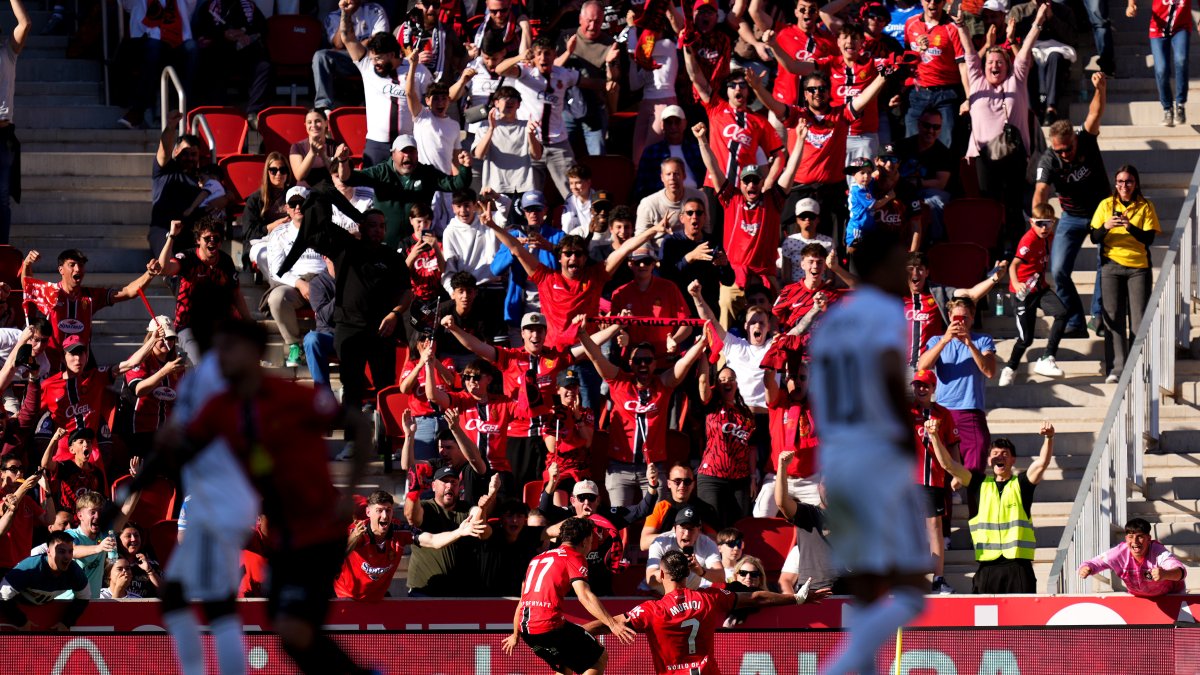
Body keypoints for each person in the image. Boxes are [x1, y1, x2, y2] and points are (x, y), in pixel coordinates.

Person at [171, 319, 375, 675]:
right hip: (283, 536)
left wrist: (349, 492)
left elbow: (358, 423)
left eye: (230, 349)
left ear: (254, 354)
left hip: (319, 529)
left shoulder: (294, 397)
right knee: (288, 633)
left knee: (295, 629)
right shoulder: (220, 406)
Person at [808, 230, 930, 675]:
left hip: (837, 459)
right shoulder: (883, 310)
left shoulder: (831, 323)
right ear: (881, 268)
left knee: (866, 585)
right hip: (877, 454)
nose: (908, 273)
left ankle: (860, 668)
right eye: (901, 263)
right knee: (914, 585)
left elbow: (817, 393)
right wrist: (902, 435)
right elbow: (882, 368)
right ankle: (842, 668)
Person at [588, 549, 825, 674]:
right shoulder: (709, 599)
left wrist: (573, 631)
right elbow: (756, 596)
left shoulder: (651, 610)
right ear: (687, 574)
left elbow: (604, 624)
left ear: (661, 575)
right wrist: (796, 597)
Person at [575, 318, 709, 508]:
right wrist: (582, 334)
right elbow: (596, 357)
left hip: (654, 467)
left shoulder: (663, 384)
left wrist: (703, 342)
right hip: (619, 467)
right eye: (638, 360)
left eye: (647, 360)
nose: (643, 365)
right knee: (619, 520)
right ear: (631, 363)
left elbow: (684, 364)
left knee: (657, 520)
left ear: (655, 364)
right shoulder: (618, 380)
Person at [500, 517, 636, 674]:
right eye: (591, 540)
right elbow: (584, 595)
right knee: (598, 657)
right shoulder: (574, 556)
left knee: (568, 662)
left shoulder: (536, 559)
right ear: (585, 541)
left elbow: (523, 601)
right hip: (549, 627)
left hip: (527, 632)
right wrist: (613, 625)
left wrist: (515, 635)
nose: (591, 546)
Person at [1034, 74, 1109, 338]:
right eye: (1059, 151)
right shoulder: (1049, 159)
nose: (1064, 155)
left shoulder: (1085, 138)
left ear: (1074, 140)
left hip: (1103, 211)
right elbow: (1040, 193)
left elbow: (1094, 112)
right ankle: (1076, 321)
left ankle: (1098, 316)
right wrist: (1039, 221)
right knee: (1058, 271)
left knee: (1106, 261)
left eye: (1067, 149)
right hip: (1071, 216)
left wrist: (1100, 89)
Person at [939, 425, 1055, 594]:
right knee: (985, 620)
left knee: (1021, 620)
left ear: (1013, 460)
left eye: (1005, 454)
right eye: (995, 454)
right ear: (988, 460)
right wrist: (934, 436)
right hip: (987, 568)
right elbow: (948, 465)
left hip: (1019, 567)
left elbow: (1042, 463)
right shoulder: (978, 483)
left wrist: (1049, 438)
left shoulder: (1021, 483)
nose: (999, 457)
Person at [335, 490, 486, 601]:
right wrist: (354, 538)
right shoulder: (359, 532)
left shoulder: (399, 531)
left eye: (388, 510)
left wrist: (459, 532)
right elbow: (337, 556)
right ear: (368, 512)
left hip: (376, 599)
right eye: (379, 511)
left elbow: (433, 540)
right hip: (346, 598)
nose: (384, 516)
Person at [21, 247, 159, 367]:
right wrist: (27, 263)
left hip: (80, 363)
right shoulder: (50, 292)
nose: (78, 269)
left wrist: (150, 274)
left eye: (81, 265)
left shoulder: (91, 296)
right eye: (72, 264)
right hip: (52, 364)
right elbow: (28, 285)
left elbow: (128, 292)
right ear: (61, 269)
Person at [335, 135, 473, 248]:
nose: (407, 156)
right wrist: (342, 161)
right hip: (385, 244)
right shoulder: (382, 172)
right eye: (403, 151)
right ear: (393, 154)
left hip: (416, 244)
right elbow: (348, 179)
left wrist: (465, 168)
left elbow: (456, 184)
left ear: (417, 154)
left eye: (411, 151)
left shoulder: (426, 173)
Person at [1091, 164, 1160, 384]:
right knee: (1114, 319)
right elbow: (1094, 237)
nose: (1124, 186)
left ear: (1136, 183)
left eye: (1128, 181)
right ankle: (1117, 368)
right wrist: (1106, 226)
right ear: (1115, 183)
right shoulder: (1106, 205)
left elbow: (1149, 239)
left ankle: (1138, 366)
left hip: (1138, 268)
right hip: (1111, 266)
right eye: (1120, 182)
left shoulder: (1145, 205)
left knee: (1138, 320)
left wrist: (1130, 227)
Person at [340, 13, 432, 167]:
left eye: (379, 58)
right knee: (372, 190)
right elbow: (347, 38)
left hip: (407, 144)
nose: (375, 63)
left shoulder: (418, 70)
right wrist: (345, 13)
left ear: (391, 54)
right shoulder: (367, 66)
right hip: (376, 144)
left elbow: (433, 99)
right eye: (372, 58)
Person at [916, 297, 997, 474]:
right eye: (956, 318)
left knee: (974, 469)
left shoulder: (982, 340)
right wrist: (945, 340)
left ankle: (973, 501)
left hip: (971, 411)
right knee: (942, 467)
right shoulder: (937, 340)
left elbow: (990, 371)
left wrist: (968, 343)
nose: (960, 322)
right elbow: (922, 366)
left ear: (973, 318)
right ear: (949, 316)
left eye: (965, 318)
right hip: (942, 411)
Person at [157, 218, 249, 366]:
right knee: (203, 364)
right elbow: (163, 269)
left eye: (216, 238)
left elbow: (236, 293)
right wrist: (172, 235)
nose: (212, 242)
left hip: (217, 324)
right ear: (198, 240)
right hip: (188, 324)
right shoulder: (188, 258)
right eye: (207, 238)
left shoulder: (226, 261)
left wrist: (249, 322)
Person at [998, 204, 1069, 386]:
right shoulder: (1028, 240)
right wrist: (1016, 283)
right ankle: (1010, 368)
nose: (1044, 228)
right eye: (1040, 224)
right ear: (1031, 223)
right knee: (1025, 339)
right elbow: (1014, 265)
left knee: (1062, 312)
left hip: (1040, 288)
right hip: (1023, 293)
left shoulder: (1050, 236)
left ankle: (1047, 357)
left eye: (1049, 223)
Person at [908, 369, 960, 594]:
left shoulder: (943, 414)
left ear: (933, 388)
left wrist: (957, 473)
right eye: (917, 385)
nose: (920, 389)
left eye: (925, 385)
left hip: (933, 479)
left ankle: (938, 578)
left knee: (934, 527)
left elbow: (953, 445)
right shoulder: (906, 412)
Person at [117, 317, 187, 458]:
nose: (167, 342)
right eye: (163, 337)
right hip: (137, 431)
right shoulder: (139, 360)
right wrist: (163, 372)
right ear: (151, 337)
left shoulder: (177, 365)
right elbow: (138, 389)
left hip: (164, 434)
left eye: (171, 338)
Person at [696, 365, 756, 526]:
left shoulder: (745, 414)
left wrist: (752, 477)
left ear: (736, 384)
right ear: (716, 385)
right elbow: (703, 382)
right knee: (711, 526)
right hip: (712, 476)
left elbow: (751, 448)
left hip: (740, 479)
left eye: (731, 379)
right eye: (722, 380)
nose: (726, 382)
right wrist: (704, 351)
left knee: (740, 526)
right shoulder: (711, 405)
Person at [903, 0, 968, 147]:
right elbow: (907, 60)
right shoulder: (910, 23)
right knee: (911, 144)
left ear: (944, 2)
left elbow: (963, 64)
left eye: (937, 0)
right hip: (917, 93)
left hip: (945, 94)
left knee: (945, 145)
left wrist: (968, 97)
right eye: (928, 0)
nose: (933, 3)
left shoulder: (952, 27)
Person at [0, 530, 90, 630]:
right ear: (48, 552)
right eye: (61, 551)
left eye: (70, 551)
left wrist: (66, 622)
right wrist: (21, 621)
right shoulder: (30, 568)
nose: (67, 557)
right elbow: (2, 596)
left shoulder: (74, 572)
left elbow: (84, 597)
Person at [1078, 518, 1187, 597]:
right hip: (1138, 597)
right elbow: (1094, 563)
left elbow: (1181, 572)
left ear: (1149, 539)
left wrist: (1165, 574)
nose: (1134, 541)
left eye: (1140, 537)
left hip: (1170, 596)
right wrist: (1086, 568)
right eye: (1131, 537)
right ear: (1126, 538)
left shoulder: (1159, 552)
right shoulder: (1118, 552)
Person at [312, 0, 387, 112]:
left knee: (381, 54)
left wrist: (353, 45)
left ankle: (371, 105)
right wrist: (345, 14)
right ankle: (324, 107)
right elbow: (338, 44)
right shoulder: (333, 16)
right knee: (321, 56)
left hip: (369, 58)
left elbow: (380, 40)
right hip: (347, 60)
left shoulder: (374, 10)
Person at [1127, 0, 1191, 126]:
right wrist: (1131, 5)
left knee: (1181, 59)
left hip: (1181, 27)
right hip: (1158, 30)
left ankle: (1180, 105)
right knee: (1161, 70)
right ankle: (1167, 108)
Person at [0, 0, 29, 243]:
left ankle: (2, 251)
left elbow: (25, 23)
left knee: (1, 198)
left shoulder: (7, 52)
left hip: (3, 134)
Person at [646, 507, 726, 593]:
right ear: (675, 528)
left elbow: (720, 577)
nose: (687, 533)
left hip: (689, 596)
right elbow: (650, 579)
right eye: (683, 528)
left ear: (699, 529)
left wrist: (701, 571)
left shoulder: (707, 544)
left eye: (691, 528)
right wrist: (670, 571)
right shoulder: (661, 542)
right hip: (658, 595)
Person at [289, 109, 336, 185]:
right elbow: (299, 176)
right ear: (305, 125)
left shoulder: (335, 146)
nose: (313, 125)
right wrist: (312, 153)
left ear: (326, 123)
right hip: (304, 191)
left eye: (318, 121)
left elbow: (338, 174)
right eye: (309, 122)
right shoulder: (297, 147)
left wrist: (323, 157)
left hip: (329, 190)